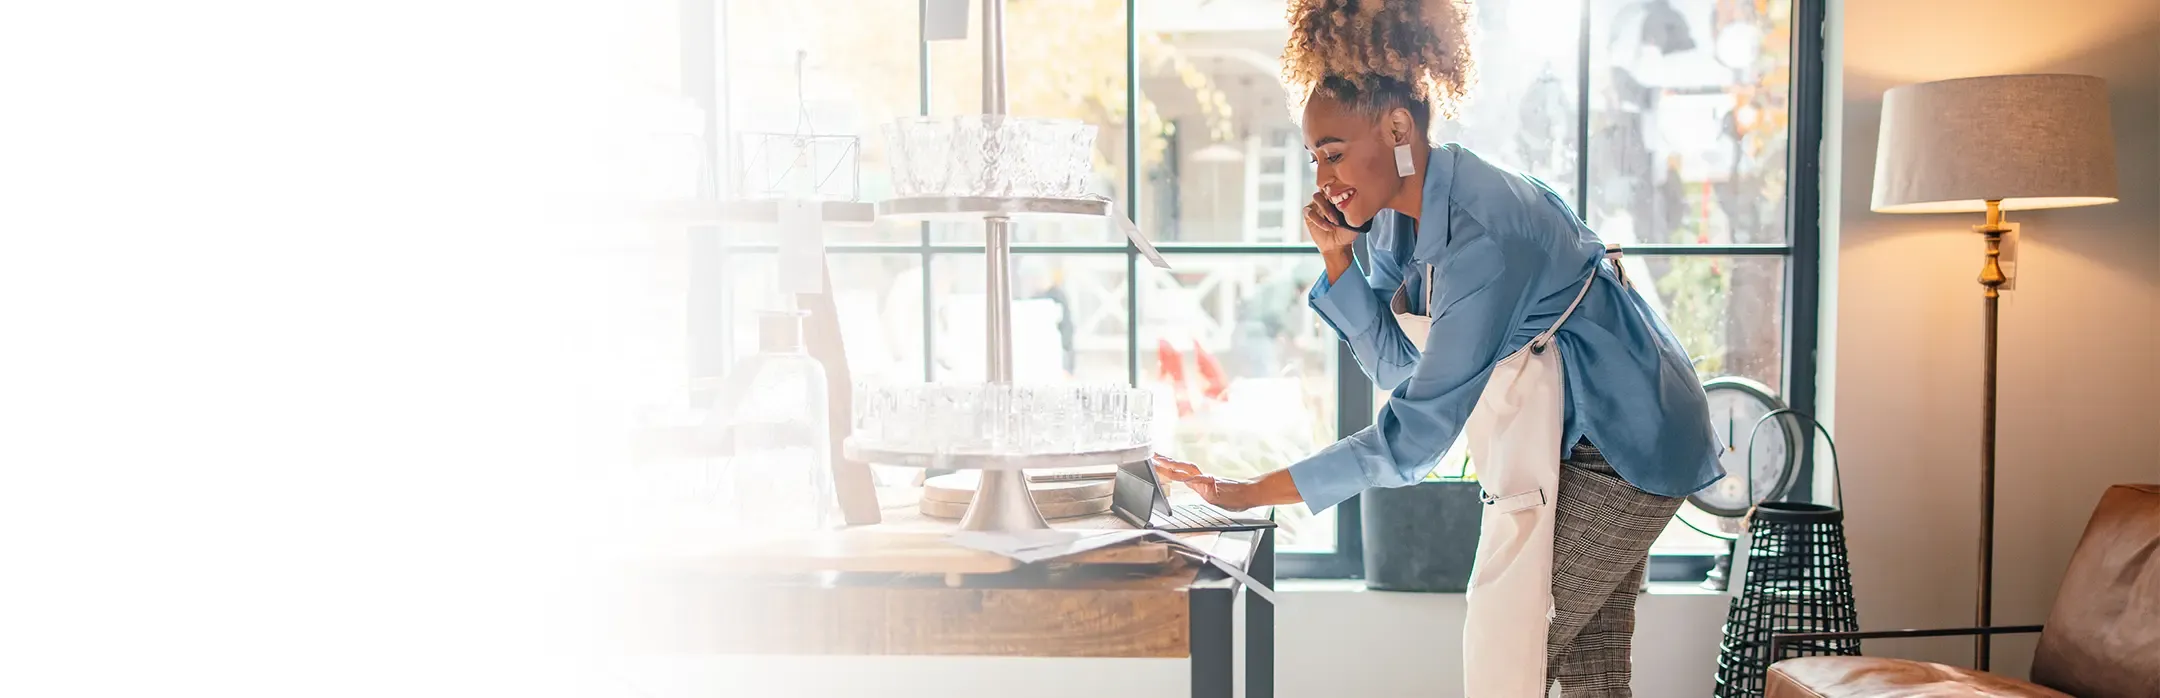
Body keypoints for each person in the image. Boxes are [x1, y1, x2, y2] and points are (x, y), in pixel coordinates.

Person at [1150, 1, 1723, 696]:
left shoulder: (1486, 235)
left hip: (1632, 433)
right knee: (1581, 662)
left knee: (1525, 641)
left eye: (1332, 153)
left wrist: (1251, 492)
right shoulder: (1393, 218)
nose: (1321, 179)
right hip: (1568, 432)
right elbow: (1401, 369)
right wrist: (1339, 264)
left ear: (1397, 127)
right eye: (1313, 157)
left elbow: (1412, 440)